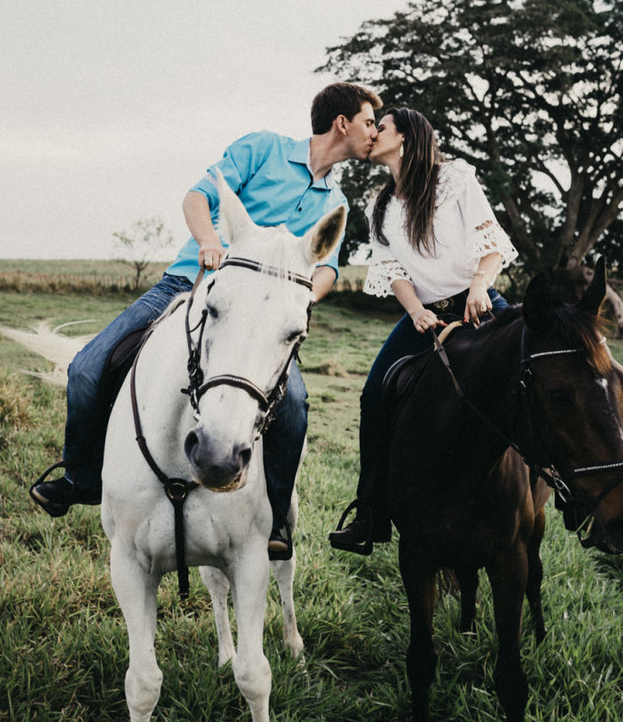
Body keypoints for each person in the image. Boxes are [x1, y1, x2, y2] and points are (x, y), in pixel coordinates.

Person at [32, 82, 382, 561]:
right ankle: (79, 477)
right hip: (186, 283)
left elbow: (325, 270)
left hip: (258, 316)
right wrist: (207, 243)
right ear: (342, 122)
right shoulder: (263, 149)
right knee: (87, 369)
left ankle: (277, 516)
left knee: (295, 404)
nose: (373, 133)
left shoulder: (333, 201)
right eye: (368, 122)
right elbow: (197, 197)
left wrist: (298, 300)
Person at [328, 107, 517, 555]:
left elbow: (492, 244)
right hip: (424, 315)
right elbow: (392, 268)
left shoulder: (455, 179)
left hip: (478, 304)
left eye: (382, 127)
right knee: (374, 394)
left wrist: (478, 287)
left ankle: (562, 492)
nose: (371, 134)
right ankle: (370, 514)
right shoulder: (381, 204)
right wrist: (414, 311)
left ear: (408, 138)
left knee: (533, 376)